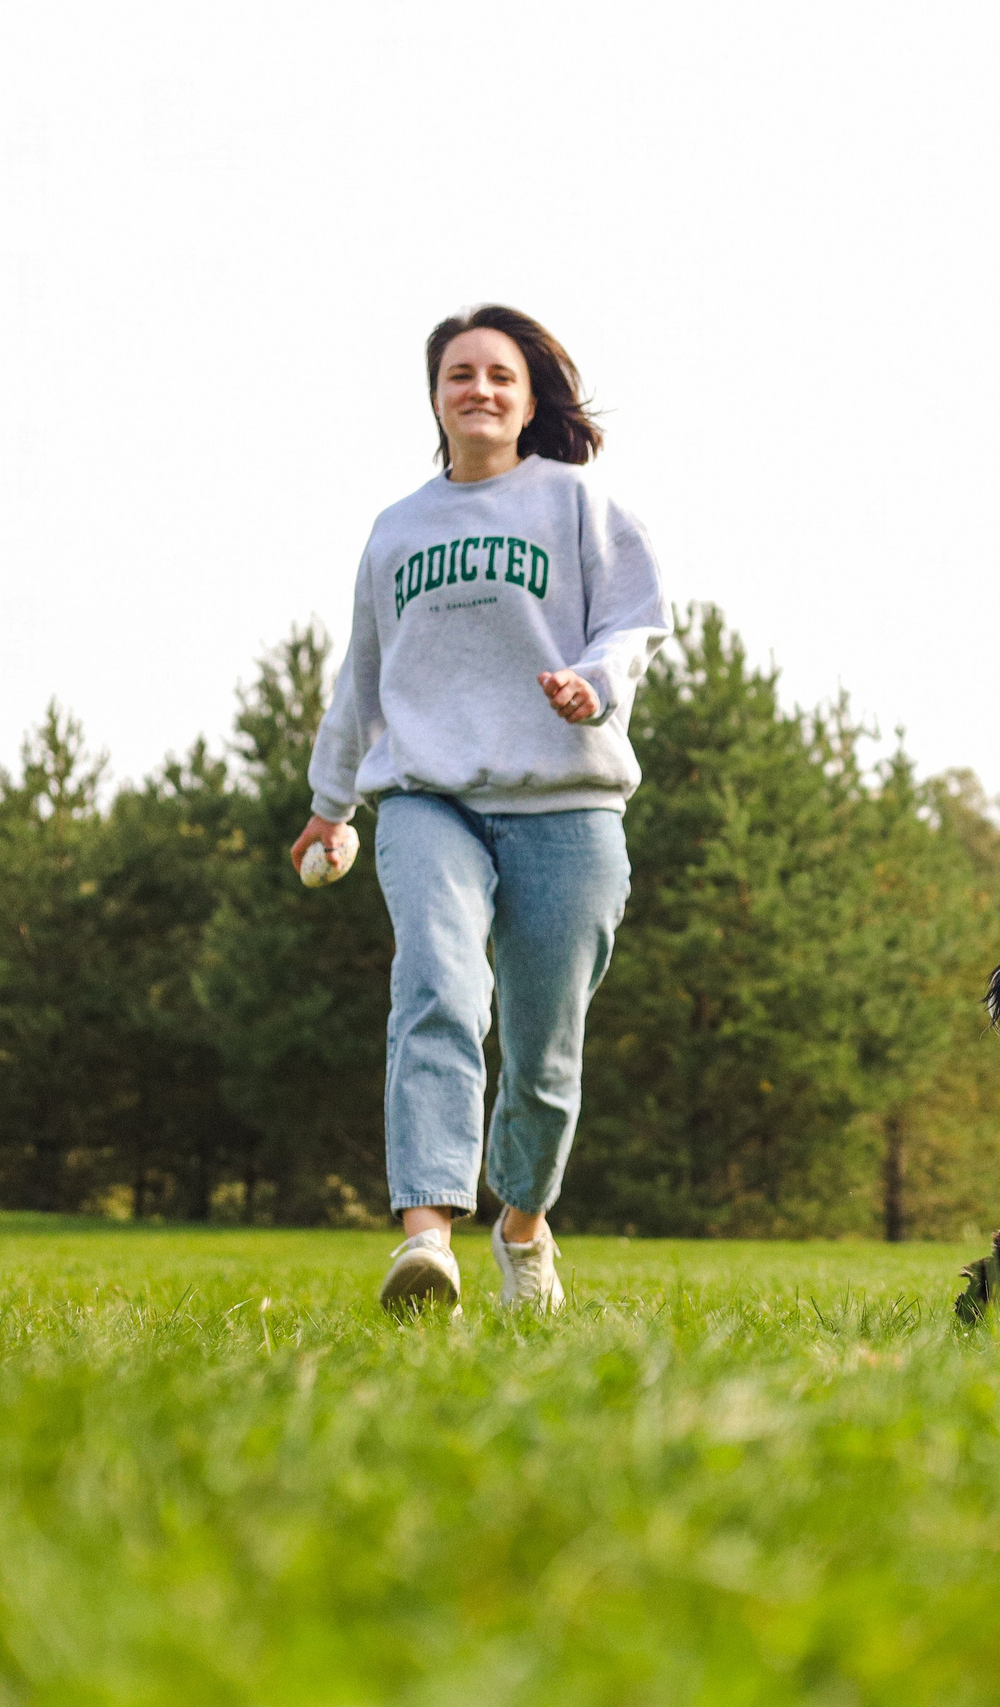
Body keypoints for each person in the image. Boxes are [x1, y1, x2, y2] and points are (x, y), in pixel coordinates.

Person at [295, 305, 668, 1317]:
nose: (481, 391)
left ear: (531, 394)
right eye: (460, 375)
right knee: (439, 987)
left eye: (500, 376)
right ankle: (427, 1241)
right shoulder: (398, 528)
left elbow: (636, 625)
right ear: (436, 397)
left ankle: (524, 1226)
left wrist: (596, 683)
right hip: (428, 796)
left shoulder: (578, 505)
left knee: (546, 1050)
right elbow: (360, 677)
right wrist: (333, 806)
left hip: (567, 799)